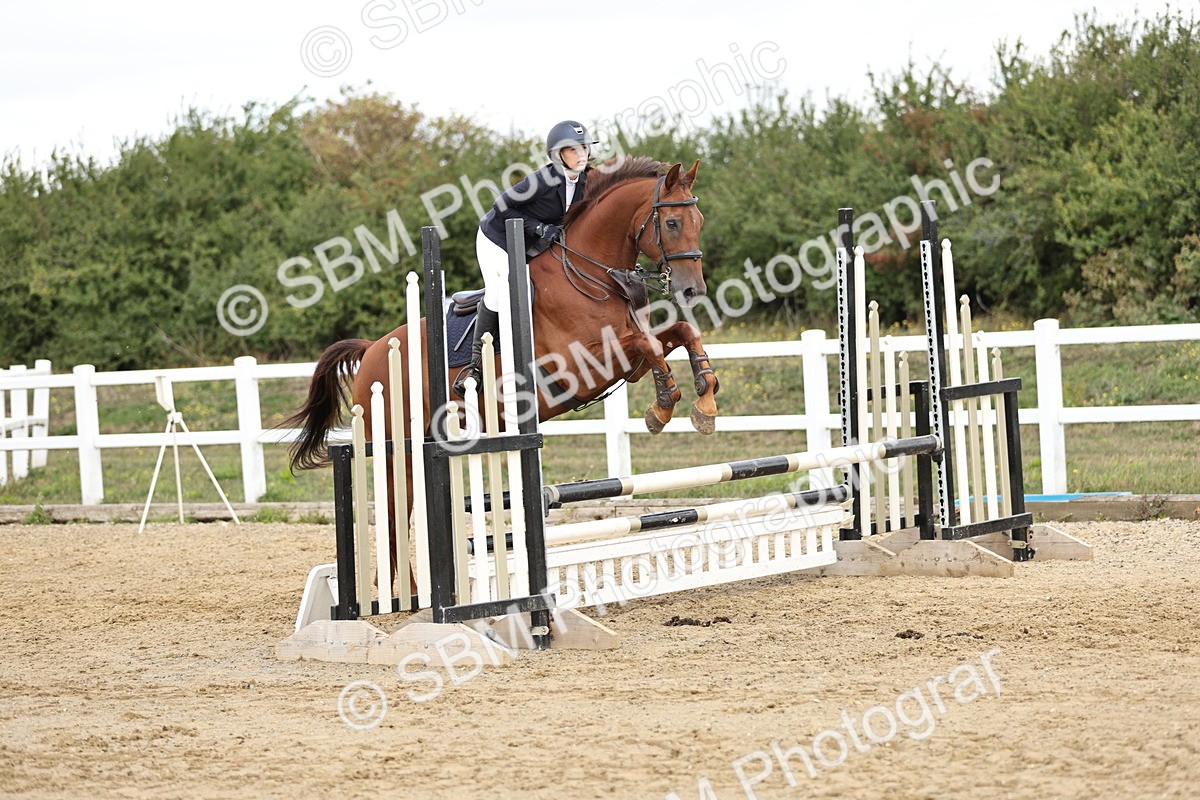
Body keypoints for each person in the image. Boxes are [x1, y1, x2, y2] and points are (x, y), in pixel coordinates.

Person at [454, 120, 598, 396]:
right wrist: (539, 228)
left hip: (530, 243)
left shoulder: (584, 182)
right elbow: (502, 205)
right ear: (558, 155)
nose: (581, 154)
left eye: (584, 148)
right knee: (501, 292)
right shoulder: (543, 180)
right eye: (573, 149)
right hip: (497, 238)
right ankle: (475, 367)